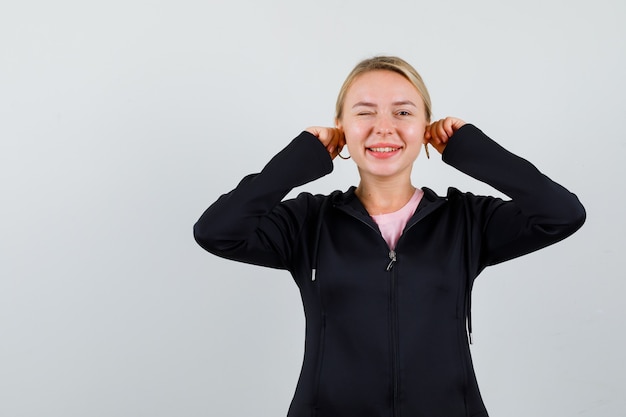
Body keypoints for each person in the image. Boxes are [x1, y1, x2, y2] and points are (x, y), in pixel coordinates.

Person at [193, 56, 586, 417]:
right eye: (364, 113)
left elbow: (562, 214)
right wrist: (300, 159)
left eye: (403, 112)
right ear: (341, 129)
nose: (384, 127)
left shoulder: (466, 220)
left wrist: (471, 149)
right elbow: (216, 232)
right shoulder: (307, 221)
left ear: (426, 128)